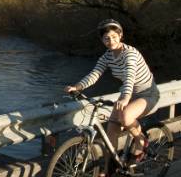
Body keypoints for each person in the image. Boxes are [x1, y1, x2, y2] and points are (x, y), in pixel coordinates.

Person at [65, 19, 160, 168]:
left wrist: (125, 98)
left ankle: (141, 140)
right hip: (128, 94)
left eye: (114, 37)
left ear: (120, 35)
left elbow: (130, 77)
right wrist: (77, 87)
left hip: (147, 94)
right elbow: (95, 74)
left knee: (126, 116)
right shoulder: (107, 56)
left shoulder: (130, 54)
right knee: (112, 130)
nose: (111, 41)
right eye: (106, 38)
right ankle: (110, 167)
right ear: (102, 40)